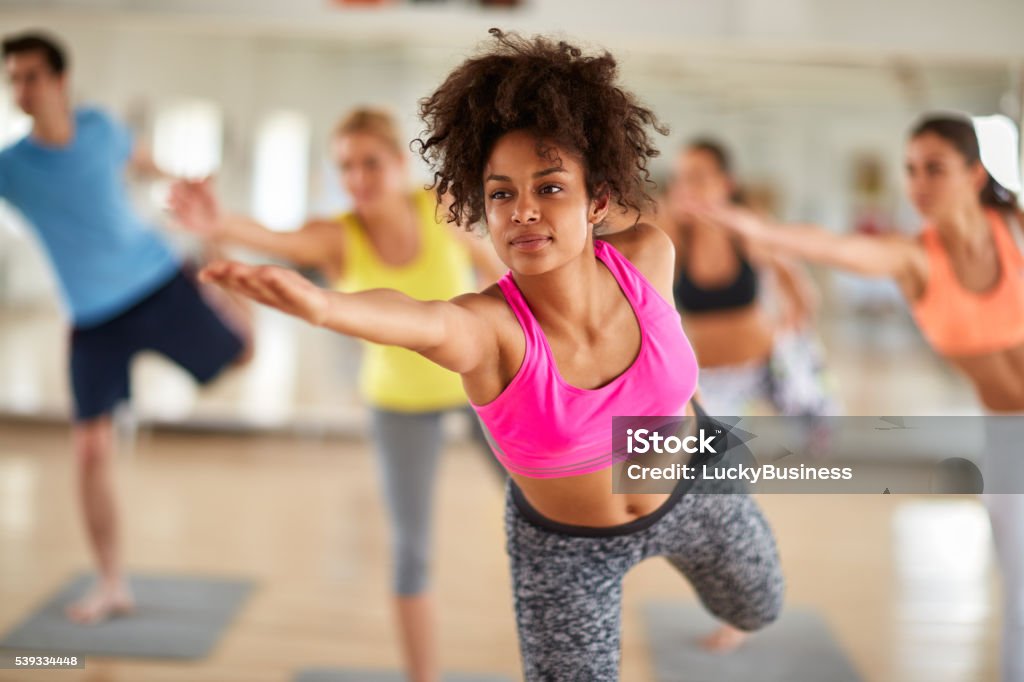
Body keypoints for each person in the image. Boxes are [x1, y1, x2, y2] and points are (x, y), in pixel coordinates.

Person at [194, 30, 784, 680]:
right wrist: (325, 307)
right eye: (502, 193)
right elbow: (420, 319)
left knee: (763, 608)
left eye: (550, 187)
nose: (524, 210)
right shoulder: (490, 329)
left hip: (698, 489)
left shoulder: (650, 254)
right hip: (567, 553)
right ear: (483, 208)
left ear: (598, 200)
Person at [684, 114, 1024, 682]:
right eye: (910, 170)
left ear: (974, 174)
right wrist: (758, 228)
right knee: (1019, 588)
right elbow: (830, 247)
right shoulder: (915, 258)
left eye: (934, 169)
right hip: (1010, 435)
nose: (917, 183)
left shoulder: (1015, 231)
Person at [169, 107, 504, 682]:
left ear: (399, 164)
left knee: (544, 505)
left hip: (482, 384)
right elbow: (276, 238)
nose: (358, 177)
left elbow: (499, 270)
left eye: (370, 162)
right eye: (346, 167)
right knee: (411, 552)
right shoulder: (339, 236)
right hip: (397, 403)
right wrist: (216, 221)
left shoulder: (442, 208)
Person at [0, 31, 251, 623]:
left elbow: (146, 163)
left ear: (60, 81)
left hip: (157, 282)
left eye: (32, 76)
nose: (22, 89)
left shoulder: (102, 129)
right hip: (92, 320)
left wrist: (186, 184)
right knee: (89, 449)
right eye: (14, 79)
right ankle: (112, 583)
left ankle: (235, 296)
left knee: (240, 355)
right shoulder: (11, 168)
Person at [663, 138, 836, 421]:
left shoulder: (748, 231)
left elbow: (800, 292)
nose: (687, 187)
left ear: (726, 183)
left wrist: (791, 334)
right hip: (707, 381)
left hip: (760, 375)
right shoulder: (671, 235)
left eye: (698, 177)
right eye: (680, 178)